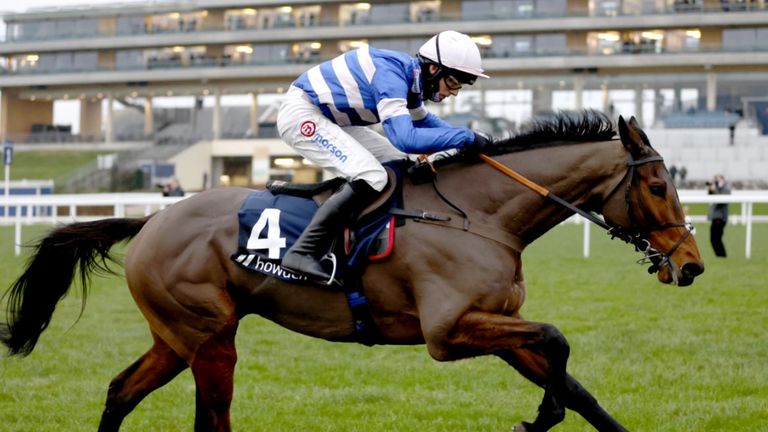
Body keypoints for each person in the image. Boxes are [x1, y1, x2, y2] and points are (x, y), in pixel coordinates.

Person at [275, 30, 493, 281]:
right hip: (303, 114)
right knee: (372, 175)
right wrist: (464, 138)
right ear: (434, 69)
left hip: (331, 119)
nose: (454, 92)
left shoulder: (411, 78)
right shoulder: (393, 75)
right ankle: (303, 252)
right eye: (454, 82)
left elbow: (425, 122)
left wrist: (481, 139)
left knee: (400, 163)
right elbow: (406, 139)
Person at [707, 174, 730, 257]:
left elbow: (721, 200)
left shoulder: (726, 189)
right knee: (714, 239)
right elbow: (710, 196)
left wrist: (715, 189)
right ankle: (720, 256)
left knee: (716, 239)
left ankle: (722, 256)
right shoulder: (718, 188)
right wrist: (710, 188)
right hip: (715, 217)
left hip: (720, 217)